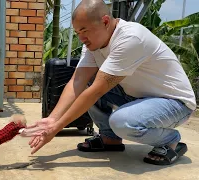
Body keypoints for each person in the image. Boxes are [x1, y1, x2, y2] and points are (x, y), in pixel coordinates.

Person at [21, 0, 196, 165]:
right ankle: (109, 138)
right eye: (77, 33)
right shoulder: (93, 44)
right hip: (137, 97)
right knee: (88, 82)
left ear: (105, 21)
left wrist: (57, 128)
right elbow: (78, 80)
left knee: (121, 122)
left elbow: (97, 91)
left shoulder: (130, 38)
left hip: (174, 103)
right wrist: (52, 120)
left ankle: (170, 140)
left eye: (84, 30)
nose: (81, 38)